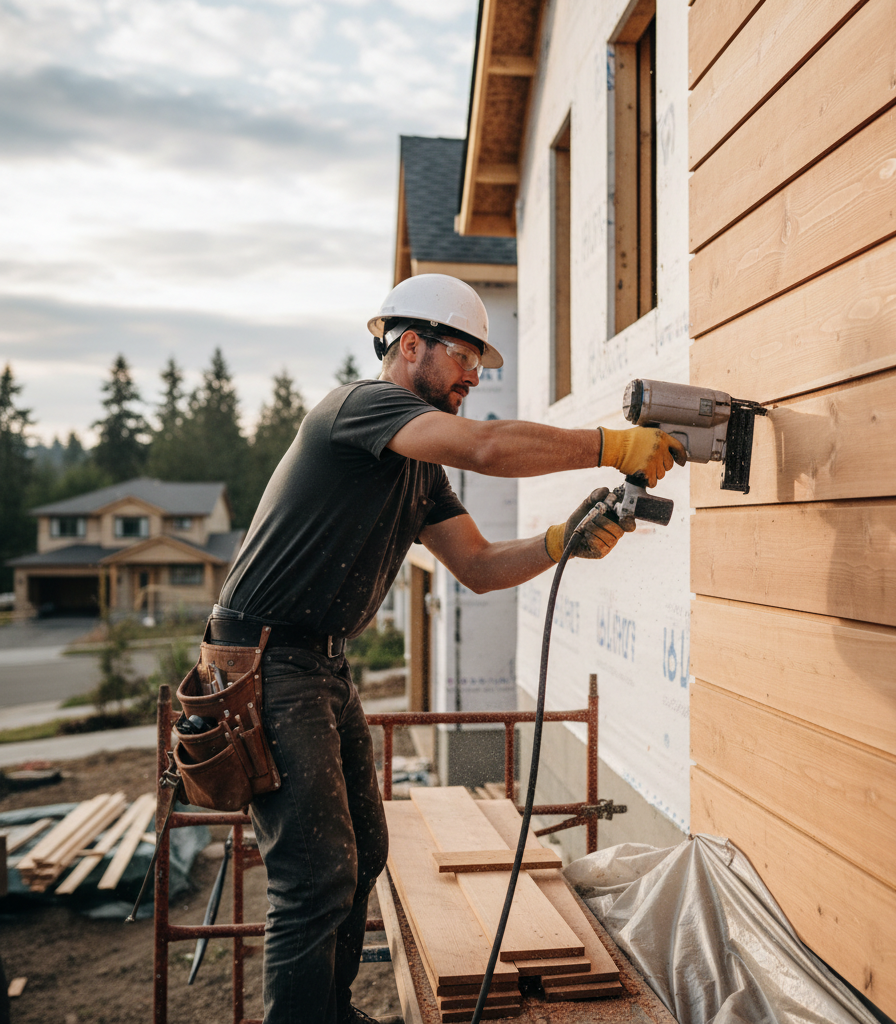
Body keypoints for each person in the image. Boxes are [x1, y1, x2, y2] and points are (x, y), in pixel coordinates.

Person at [207, 274, 682, 1024]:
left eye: (482, 366)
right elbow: (488, 448)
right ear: (411, 345)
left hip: (316, 665)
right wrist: (610, 444)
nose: (474, 378)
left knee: (361, 851)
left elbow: (480, 567)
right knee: (315, 874)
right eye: (465, 358)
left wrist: (564, 542)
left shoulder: (416, 466)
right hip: (264, 663)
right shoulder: (358, 408)